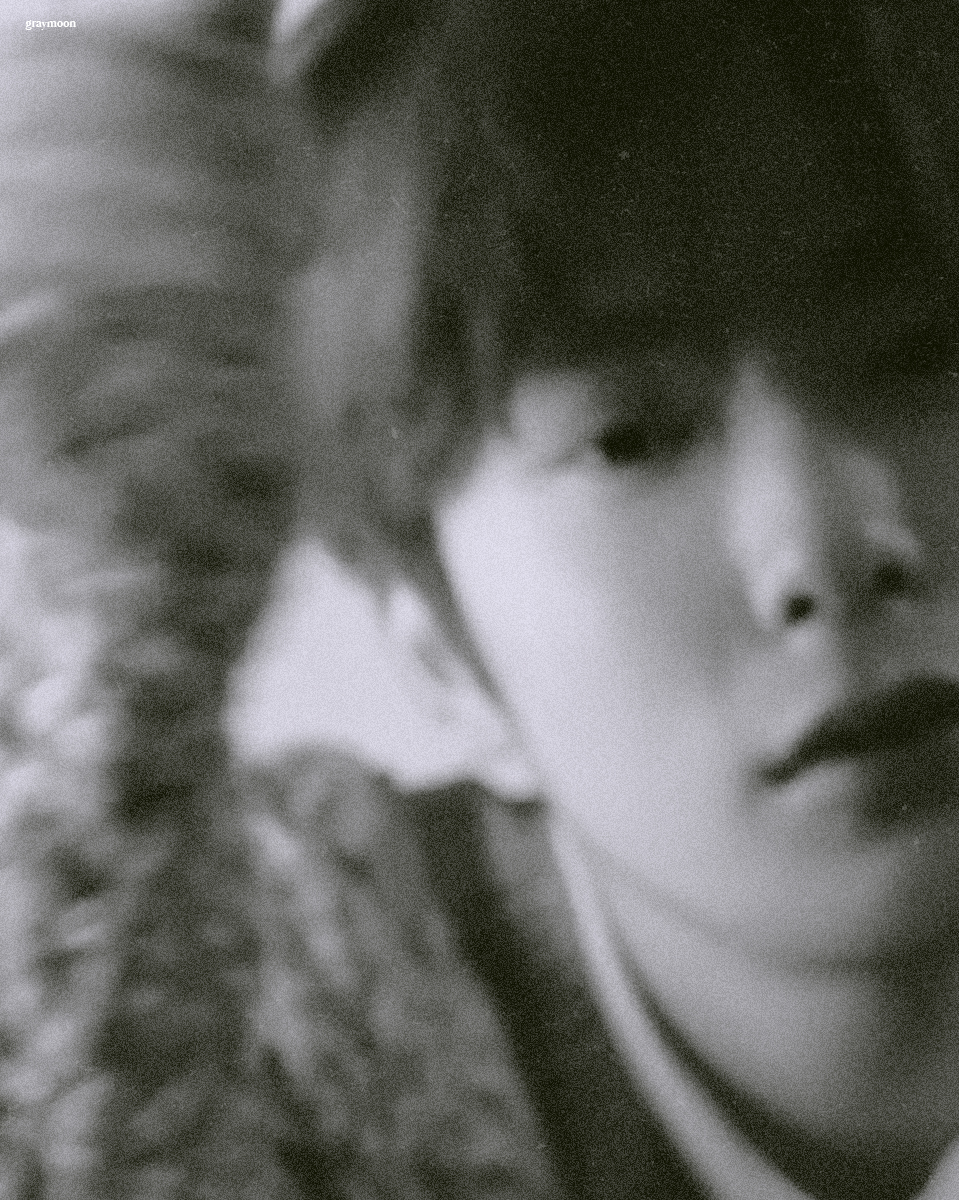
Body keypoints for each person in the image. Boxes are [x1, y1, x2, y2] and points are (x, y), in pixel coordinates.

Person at [4, 1, 959, 1198]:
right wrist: (127, 591)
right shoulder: (296, 1022)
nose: (822, 549)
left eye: (918, 349)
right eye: (626, 439)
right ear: (443, 658)